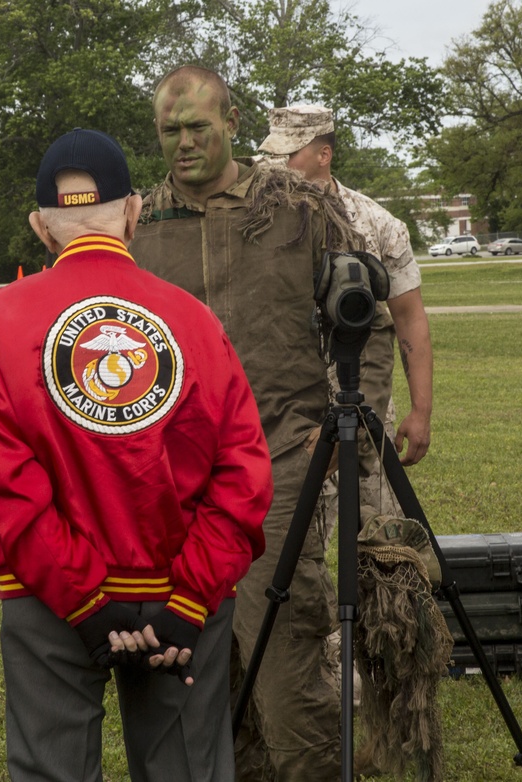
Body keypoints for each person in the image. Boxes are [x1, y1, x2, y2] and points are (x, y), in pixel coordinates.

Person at [0, 127, 273, 782]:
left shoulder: (0, 318)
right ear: (133, 213)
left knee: (53, 770)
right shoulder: (192, 319)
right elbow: (243, 469)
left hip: (49, 597)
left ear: (41, 229)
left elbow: (5, 484)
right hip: (179, 592)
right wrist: (188, 600)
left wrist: (82, 598)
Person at [129, 66, 364, 781]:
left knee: (282, 643)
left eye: (199, 127)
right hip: (174, 472)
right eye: (170, 131)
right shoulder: (138, 223)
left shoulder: (297, 206)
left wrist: (351, 431)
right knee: (198, 661)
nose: (185, 144)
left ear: (233, 123)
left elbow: (365, 322)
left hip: (281, 454)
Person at [257, 105, 432, 535]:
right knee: (295, 544)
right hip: (290, 409)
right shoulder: (258, 221)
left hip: (366, 404)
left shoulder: (377, 224)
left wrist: (421, 410)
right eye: (272, 155)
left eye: (290, 154)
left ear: (324, 155)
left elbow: (409, 318)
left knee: (385, 544)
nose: (277, 166)